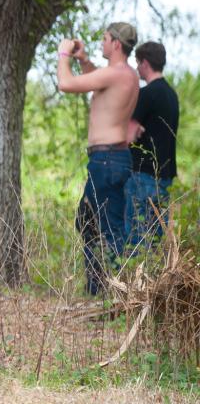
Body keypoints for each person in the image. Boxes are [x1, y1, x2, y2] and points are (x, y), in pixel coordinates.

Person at [57, 22, 139, 296]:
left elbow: (65, 84)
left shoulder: (116, 73)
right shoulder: (124, 75)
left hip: (108, 160)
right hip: (108, 160)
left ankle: (116, 294)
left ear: (116, 43)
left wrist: (64, 54)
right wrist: (83, 60)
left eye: (104, 39)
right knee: (89, 223)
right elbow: (97, 83)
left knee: (109, 229)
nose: (101, 43)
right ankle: (97, 289)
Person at [125, 41, 179, 254]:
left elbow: (129, 135)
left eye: (138, 63)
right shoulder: (171, 95)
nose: (137, 68)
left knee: (136, 238)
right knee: (155, 240)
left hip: (143, 175)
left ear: (145, 63)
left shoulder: (146, 94)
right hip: (165, 177)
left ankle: (134, 276)